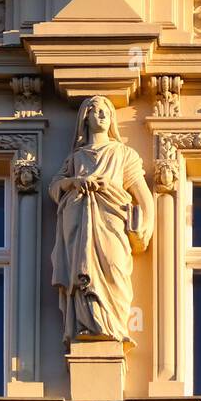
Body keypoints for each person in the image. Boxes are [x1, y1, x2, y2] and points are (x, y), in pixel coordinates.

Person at [50, 96, 154, 344]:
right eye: (95, 111)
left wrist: (145, 225)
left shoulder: (123, 154)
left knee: (114, 266)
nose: (101, 115)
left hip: (111, 221)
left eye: (106, 111)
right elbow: (55, 187)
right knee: (82, 270)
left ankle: (113, 325)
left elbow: (143, 196)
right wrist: (74, 182)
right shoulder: (76, 158)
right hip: (78, 220)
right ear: (85, 118)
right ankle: (87, 324)